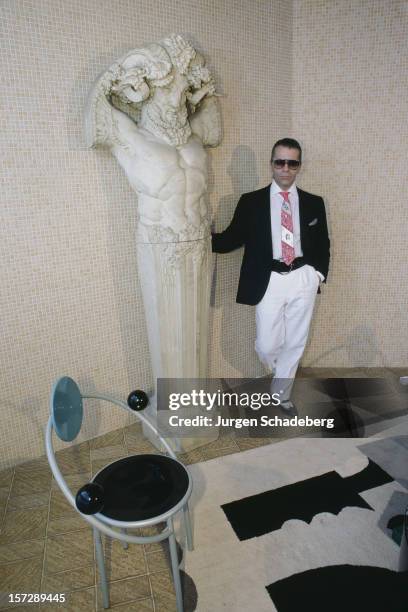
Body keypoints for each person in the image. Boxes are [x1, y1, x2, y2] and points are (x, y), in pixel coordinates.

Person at [212, 138, 330, 413]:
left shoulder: (314, 203)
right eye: (280, 162)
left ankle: (281, 394)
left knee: (296, 340)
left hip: (303, 276)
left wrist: (317, 275)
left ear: (299, 166)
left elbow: (323, 242)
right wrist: (199, 239)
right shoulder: (251, 202)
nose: (286, 168)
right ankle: (282, 375)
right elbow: (231, 240)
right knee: (267, 344)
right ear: (271, 164)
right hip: (269, 278)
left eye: (292, 163)